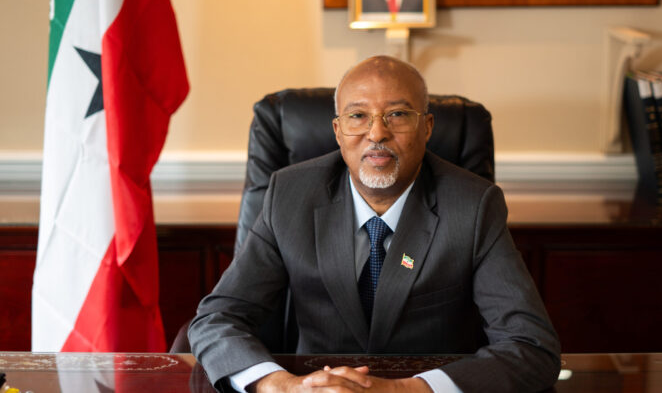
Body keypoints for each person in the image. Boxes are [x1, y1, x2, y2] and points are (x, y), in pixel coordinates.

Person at [188, 56, 561, 392]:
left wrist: (404, 390)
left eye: (397, 114)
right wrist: (282, 387)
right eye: (358, 116)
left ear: (427, 127)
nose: (377, 133)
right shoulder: (290, 195)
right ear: (337, 131)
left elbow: (532, 346)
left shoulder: (473, 205)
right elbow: (217, 319)